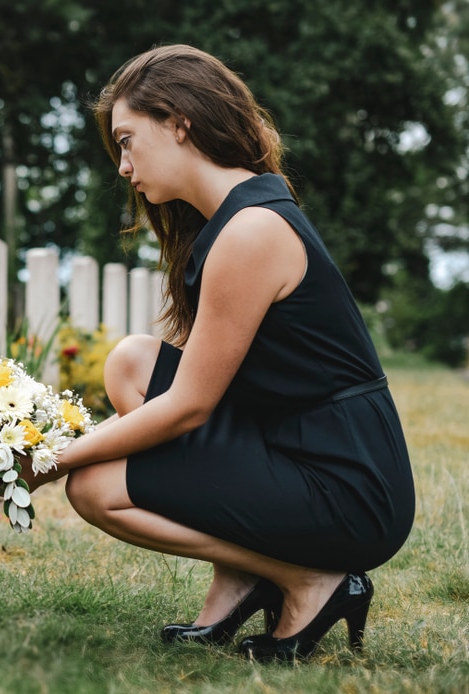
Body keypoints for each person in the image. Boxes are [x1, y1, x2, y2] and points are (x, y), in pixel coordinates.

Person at [21, 44, 416, 662]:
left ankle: (310, 580)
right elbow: (188, 388)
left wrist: (53, 460)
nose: (123, 166)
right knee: (131, 361)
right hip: (292, 443)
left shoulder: (251, 231)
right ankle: (244, 577)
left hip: (348, 486)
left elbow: (188, 407)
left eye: (127, 141)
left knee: (92, 487)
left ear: (180, 122)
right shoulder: (231, 220)